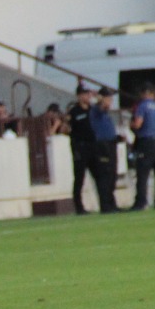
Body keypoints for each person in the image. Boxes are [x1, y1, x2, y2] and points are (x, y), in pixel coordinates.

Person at [130, 83, 155, 210]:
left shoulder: (142, 106)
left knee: (143, 173)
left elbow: (137, 124)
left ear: (144, 93)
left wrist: (130, 125)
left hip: (146, 141)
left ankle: (141, 202)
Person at [89, 86, 122, 213]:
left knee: (112, 175)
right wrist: (101, 101)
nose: (110, 100)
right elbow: (102, 108)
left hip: (110, 143)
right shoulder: (96, 110)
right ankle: (106, 205)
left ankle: (111, 203)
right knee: (105, 175)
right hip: (102, 145)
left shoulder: (105, 113)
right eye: (108, 98)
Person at [64, 84, 95, 214]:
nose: (88, 96)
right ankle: (79, 207)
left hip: (93, 145)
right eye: (85, 94)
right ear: (79, 96)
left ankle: (107, 203)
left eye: (88, 93)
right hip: (80, 147)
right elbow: (65, 129)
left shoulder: (93, 109)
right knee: (79, 178)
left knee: (100, 176)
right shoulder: (74, 111)